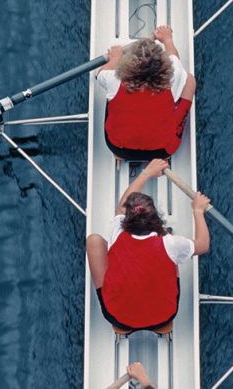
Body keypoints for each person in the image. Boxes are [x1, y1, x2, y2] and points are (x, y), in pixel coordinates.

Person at [86, 159, 210, 330]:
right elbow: (203, 245)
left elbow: (121, 207)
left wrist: (147, 173)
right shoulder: (170, 243)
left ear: (126, 221)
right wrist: (198, 211)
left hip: (117, 316)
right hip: (164, 316)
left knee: (93, 241)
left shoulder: (118, 231)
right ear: (156, 219)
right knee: (173, 252)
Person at [97, 25, 197, 160]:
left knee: (111, 93)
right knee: (189, 80)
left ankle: (118, 156)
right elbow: (174, 58)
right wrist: (167, 39)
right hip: (163, 151)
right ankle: (166, 156)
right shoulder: (173, 76)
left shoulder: (115, 79)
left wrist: (115, 59)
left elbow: (100, 73)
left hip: (118, 148)